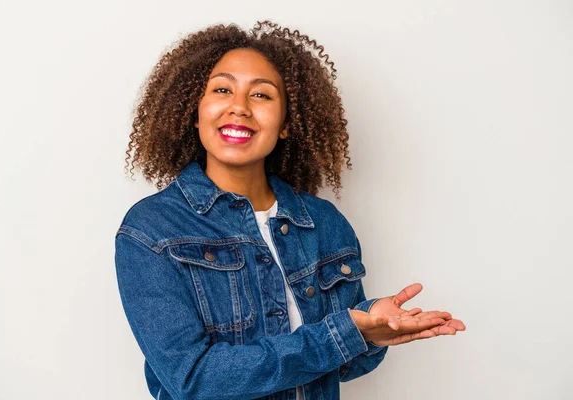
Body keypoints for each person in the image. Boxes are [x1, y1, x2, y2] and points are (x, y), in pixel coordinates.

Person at [114, 20, 466, 400]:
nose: (239, 107)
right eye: (222, 89)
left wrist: (371, 329)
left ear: (285, 123)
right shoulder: (152, 230)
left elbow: (342, 365)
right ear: (195, 111)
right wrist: (344, 332)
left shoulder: (323, 223)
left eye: (262, 96)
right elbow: (194, 378)